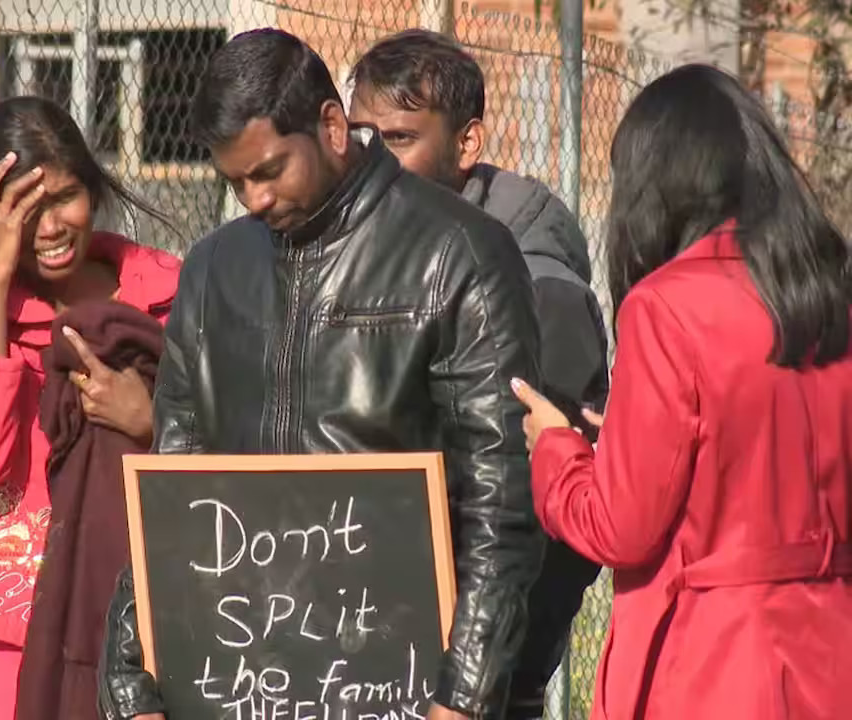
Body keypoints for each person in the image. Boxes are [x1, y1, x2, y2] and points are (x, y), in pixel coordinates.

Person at [98, 28, 545, 720]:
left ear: (332, 125)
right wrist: (133, 687)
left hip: (404, 688)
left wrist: (463, 700)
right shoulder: (215, 272)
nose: (252, 198)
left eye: (270, 170)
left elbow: (503, 505)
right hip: (237, 683)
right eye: (234, 181)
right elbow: (173, 488)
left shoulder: (462, 256)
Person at [513, 64, 852, 719]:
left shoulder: (667, 307)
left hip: (717, 665)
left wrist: (555, 449)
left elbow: (619, 528)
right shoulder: (831, 293)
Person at [348, 30, 609, 719]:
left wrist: (503, 679)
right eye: (360, 134)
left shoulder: (539, 294)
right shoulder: (356, 262)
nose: (374, 158)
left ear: (466, 144)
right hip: (356, 659)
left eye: (400, 137)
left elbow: (554, 517)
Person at [0, 95, 182, 719]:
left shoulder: (168, 292)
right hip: (8, 630)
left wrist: (151, 422)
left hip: (144, 618)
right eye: (24, 211)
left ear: (94, 187)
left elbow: (231, 443)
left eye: (64, 198)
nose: (51, 227)